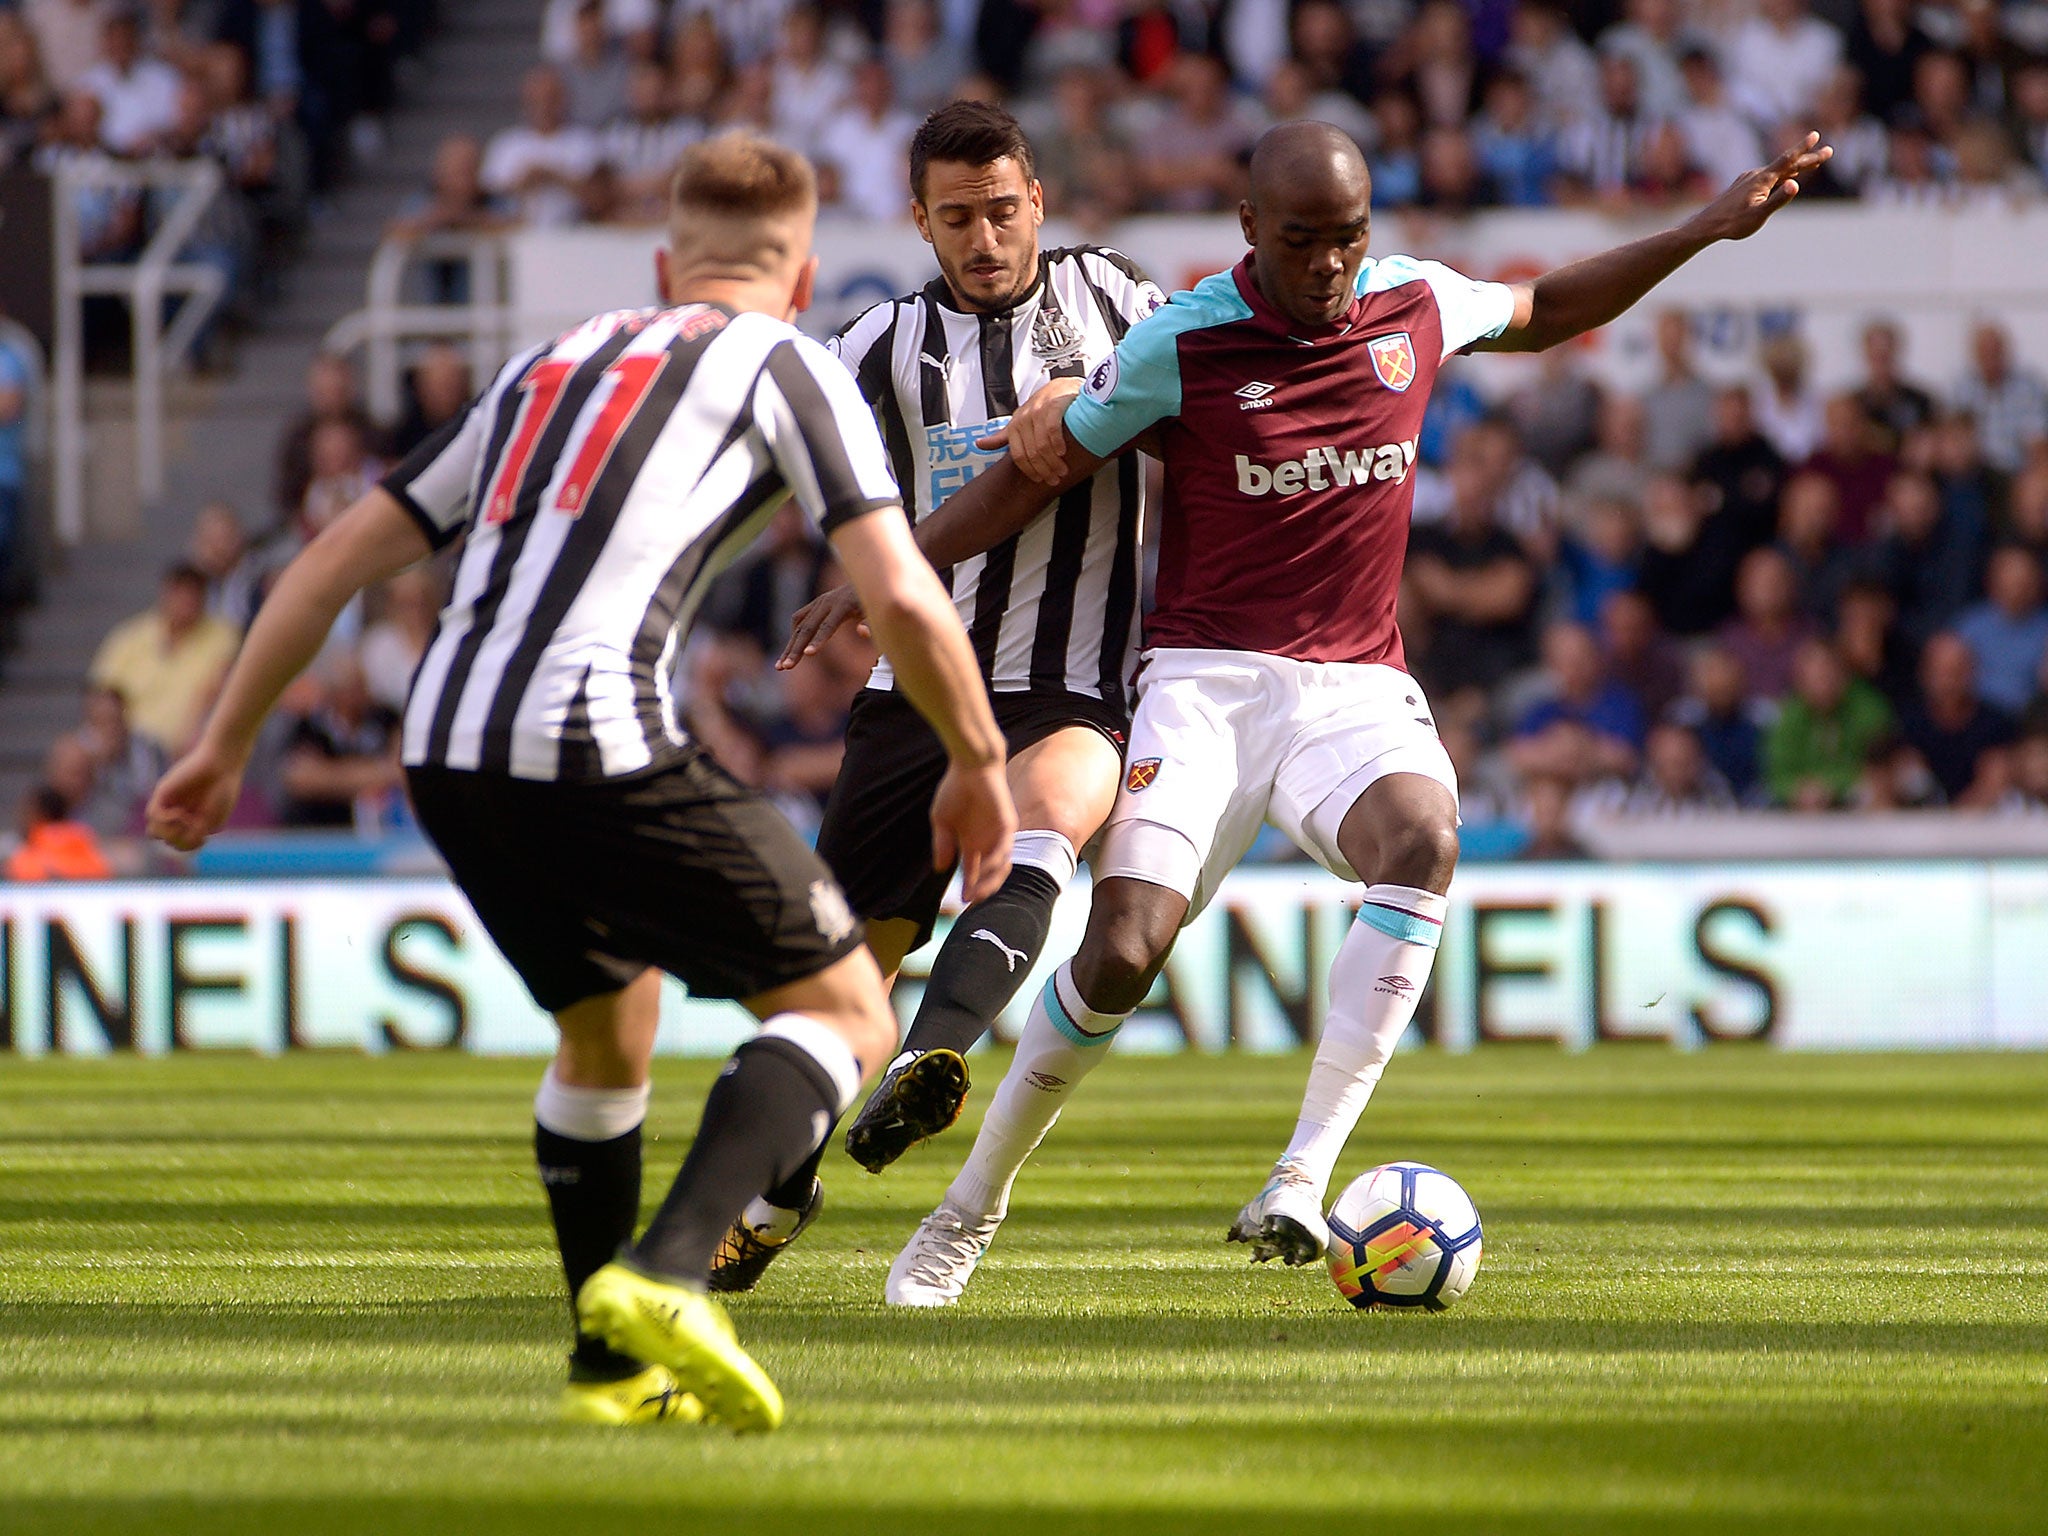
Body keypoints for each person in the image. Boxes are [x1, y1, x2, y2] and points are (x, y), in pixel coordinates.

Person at [790, 120, 1831, 1305]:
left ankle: (1298, 1175)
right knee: (1122, 950)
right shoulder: (1178, 341)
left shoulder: (1415, 304)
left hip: (1353, 687)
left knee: (1423, 843)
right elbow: (1033, 471)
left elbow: (1546, 306)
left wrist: (1706, 224)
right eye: (1303, 242)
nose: (1332, 265)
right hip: (1199, 687)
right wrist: (887, 574)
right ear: (1249, 233)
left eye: (1348, 238)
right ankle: (968, 1207)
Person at [145, 132, 1017, 1431]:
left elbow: (329, 561)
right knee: (848, 1010)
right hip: (584, 729)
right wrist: (979, 758)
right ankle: (670, 1278)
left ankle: (612, 1368)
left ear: (668, 264)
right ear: (801, 275)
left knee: (610, 1027)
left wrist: (218, 744)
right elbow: (896, 588)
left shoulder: (543, 365)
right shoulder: (789, 363)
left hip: (441, 744)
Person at [734, 102, 1163, 1289]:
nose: (986, 238)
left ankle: (929, 1060)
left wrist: (1090, 400)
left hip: (1072, 679)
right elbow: (810, 466)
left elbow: (1197, 416)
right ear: (920, 220)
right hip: (916, 690)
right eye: (959, 218)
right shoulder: (880, 342)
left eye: (1005, 211)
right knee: (835, 979)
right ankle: (774, 1200)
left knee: (1049, 822)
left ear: (1038, 202)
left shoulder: (1116, 299)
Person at [88, 562, 241, 755]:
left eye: (194, 593)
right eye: (181, 592)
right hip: (126, 744)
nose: (187, 600)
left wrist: (194, 732)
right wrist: (115, 731)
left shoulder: (222, 635)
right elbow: (101, 692)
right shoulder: (129, 636)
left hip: (188, 743)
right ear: (166, 593)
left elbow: (217, 689)